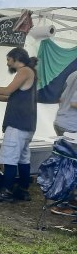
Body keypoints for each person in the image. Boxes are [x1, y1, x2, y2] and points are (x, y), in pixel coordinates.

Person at [0, 47, 38, 202]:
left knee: (9, 158)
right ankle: (23, 190)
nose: (7, 63)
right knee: (23, 158)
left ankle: (6, 191)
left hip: (18, 123)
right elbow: (10, 97)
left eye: (8, 60)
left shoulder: (24, 71)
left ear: (15, 58)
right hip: (27, 124)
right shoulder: (29, 72)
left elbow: (7, 91)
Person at [50, 70, 77, 216]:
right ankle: (62, 203)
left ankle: (69, 200)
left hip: (62, 121)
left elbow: (61, 99)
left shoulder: (73, 73)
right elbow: (75, 103)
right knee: (69, 167)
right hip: (72, 127)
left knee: (66, 165)